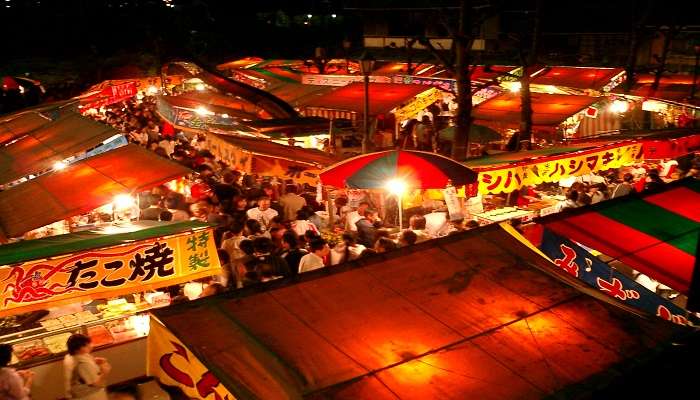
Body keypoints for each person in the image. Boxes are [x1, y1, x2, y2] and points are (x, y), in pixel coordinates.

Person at [64, 334, 111, 400]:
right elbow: (97, 384)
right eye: (85, 345)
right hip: (89, 395)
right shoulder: (83, 364)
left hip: (76, 393)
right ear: (76, 350)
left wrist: (94, 360)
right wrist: (105, 372)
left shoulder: (71, 356)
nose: (90, 346)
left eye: (88, 343)